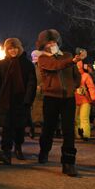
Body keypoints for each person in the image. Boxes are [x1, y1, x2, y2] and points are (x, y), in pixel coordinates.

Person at [36, 29, 81, 177]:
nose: (51, 44)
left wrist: (72, 86)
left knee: (68, 130)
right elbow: (54, 66)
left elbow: (77, 76)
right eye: (48, 42)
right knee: (48, 128)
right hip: (51, 97)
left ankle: (68, 162)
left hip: (68, 98)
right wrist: (72, 61)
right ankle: (44, 150)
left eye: (54, 41)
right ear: (43, 44)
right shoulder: (43, 58)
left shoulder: (67, 55)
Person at [0, 38, 36, 164]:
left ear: (19, 48)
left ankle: (18, 148)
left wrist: (28, 99)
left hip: (21, 102)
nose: (12, 51)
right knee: (6, 129)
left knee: (20, 128)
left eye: (15, 48)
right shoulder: (1, 65)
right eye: (9, 48)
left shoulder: (27, 64)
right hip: (5, 102)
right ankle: (6, 153)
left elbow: (32, 84)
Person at [74, 60, 95, 141]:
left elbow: (91, 86)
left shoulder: (86, 75)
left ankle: (85, 134)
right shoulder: (73, 76)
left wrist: (93, 97)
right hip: (76, 100)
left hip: (84, 100)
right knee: (77, 119)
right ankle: (78, 134)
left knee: (83, 118)